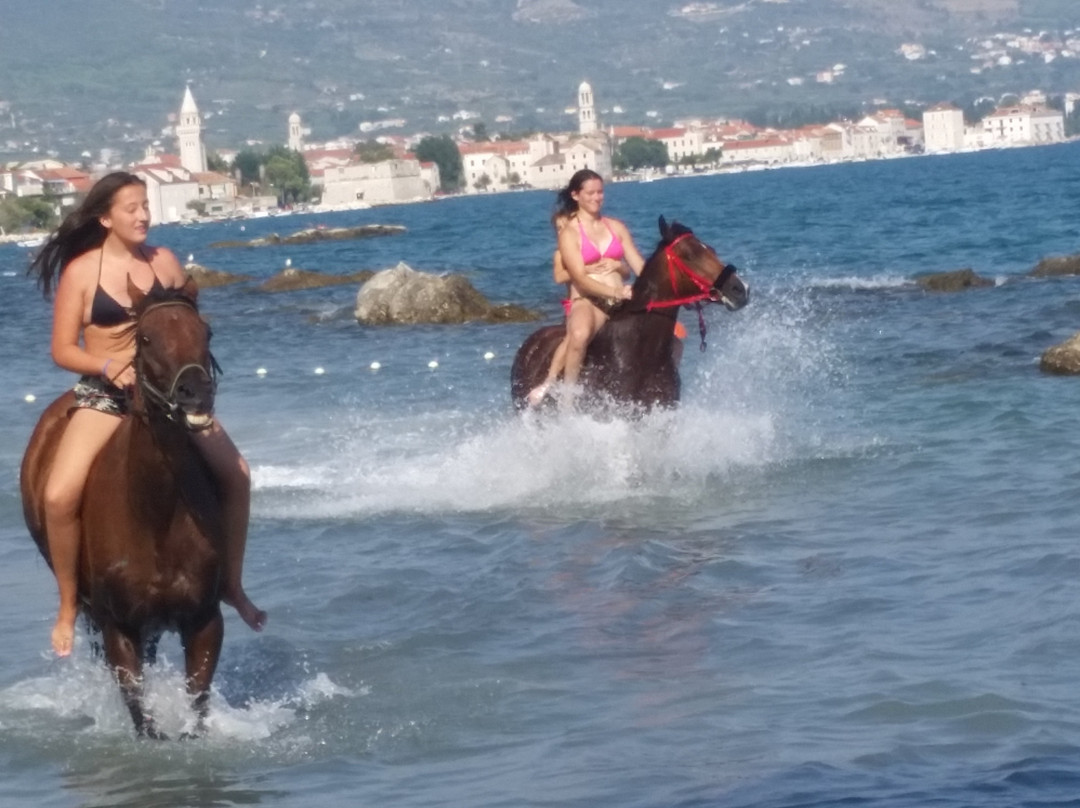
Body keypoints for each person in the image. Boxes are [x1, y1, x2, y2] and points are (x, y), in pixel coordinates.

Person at [29, 171, 266, 657]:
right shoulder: (82, 271)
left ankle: (232, 587)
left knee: (238, 475)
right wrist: (107, 365)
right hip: (106, 399)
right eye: (131, 208)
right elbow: (61, 350)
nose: (142, 216)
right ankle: (69, 607)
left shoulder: (165, 262)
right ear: (105, 217)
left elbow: (186, 326)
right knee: (57, 495)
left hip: (170, 403)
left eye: (145, 206)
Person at [533, 170, 646, 403]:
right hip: (589, 300)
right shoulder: (569, 233)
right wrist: (616, 291)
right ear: (576, 195)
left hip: (622, 299)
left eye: (600, 192)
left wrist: (651, 286)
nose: (597, 197)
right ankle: (568, 398)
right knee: (579, 333)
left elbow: (639, 268)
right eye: (591, 193)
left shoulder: (616, 227)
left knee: (667, 331)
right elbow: (580, 278)